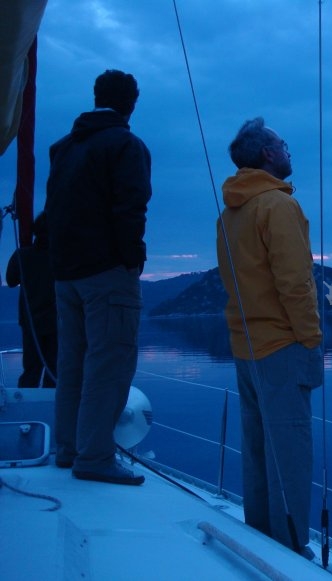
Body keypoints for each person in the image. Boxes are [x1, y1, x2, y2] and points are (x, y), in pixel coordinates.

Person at [216, 118, 323, 557]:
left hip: (245, 349)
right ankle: (293, 550)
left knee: (258, 449)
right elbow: (295, 282)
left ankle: (260, 536)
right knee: (291, 455)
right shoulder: (277, 208)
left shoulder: (230, 214)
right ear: (267, 155)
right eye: (283, 144)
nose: (288, 150)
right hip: (282, 347)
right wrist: (312, 339)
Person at [44, 69, 152, 486]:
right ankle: (95, 456)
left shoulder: (63, 148)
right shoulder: (125, 145)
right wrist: (132, 259)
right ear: (131, 104)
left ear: (96, 97)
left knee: (72, 363)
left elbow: (55, 210)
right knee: (109, 364)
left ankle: (69, 449)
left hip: (65, 275)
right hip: (107, 274)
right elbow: (131, 207)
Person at [5, 212, 57, 387]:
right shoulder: (60, 257)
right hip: (55, 322)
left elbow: (11, 281)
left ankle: (27, 408)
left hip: (30, 321)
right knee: (54, 369)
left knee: (31, 369)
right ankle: (53, 407)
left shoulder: (23, 255)